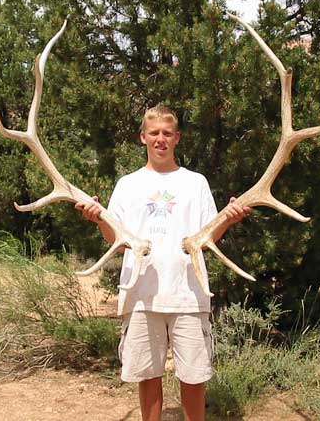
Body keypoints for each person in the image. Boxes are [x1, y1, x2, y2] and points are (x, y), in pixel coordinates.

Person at [75, 105, 251, 421]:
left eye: (167, 133)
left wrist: (228, 217)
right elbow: (116, 242)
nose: (160, 139)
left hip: (188, 294)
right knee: (147, 375)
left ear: (177, 138)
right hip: (141, 295)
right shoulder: (127, 185)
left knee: (194, 377)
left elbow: (209, 237)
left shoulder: (195, 183)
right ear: (143, 137)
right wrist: (97, 218)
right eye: (154, 133)